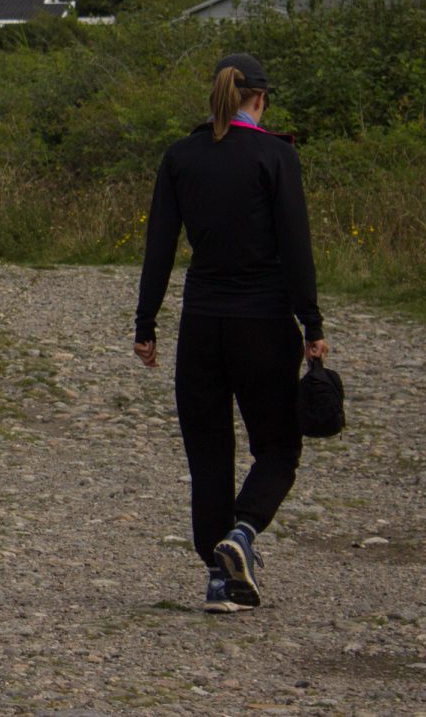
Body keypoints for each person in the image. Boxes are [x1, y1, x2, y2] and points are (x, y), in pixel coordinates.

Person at [134, 52, 329, 613]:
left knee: (209, 453)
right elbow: (296, 249)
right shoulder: (276, 155)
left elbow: (160, 247)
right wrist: (311, 324)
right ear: (260, 100)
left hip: (201, 326)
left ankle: (221, 582)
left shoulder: (180, 157)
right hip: (265, 324)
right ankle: (241, 535)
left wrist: (146, 323)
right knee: (278, 446)